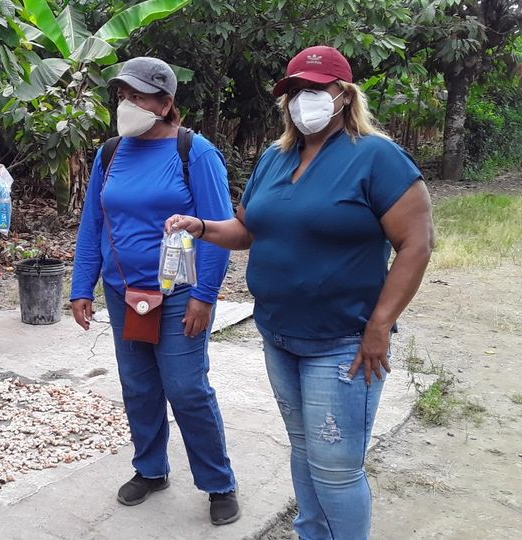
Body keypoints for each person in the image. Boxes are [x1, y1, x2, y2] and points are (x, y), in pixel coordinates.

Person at [166, 45, 435, 539]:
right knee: (304, 448)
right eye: (293, 91)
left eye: (315, 89)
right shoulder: (275, 158)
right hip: (280, 335)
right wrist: (201, 226)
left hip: (344, 341)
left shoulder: (377, 157)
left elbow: (416, 244)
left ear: (344, 95)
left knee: (336, 468)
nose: (301, 99)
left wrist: (379, 325)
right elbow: (247, 231)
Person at [70, 57, 241, 526]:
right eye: (123, 95)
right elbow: (93, 224)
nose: (127, 104)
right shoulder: (110, 153)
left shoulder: (194, 152)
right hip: (123, 291)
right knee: (138, 386)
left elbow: (220, 230)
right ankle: (150, 469)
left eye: (139, 96)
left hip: (181, 292)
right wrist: (82, 286)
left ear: (165, 104)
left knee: (186, 388)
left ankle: (218, 482)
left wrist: (206, 295)